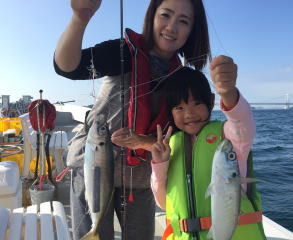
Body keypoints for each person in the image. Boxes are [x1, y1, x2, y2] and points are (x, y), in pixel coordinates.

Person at [53, 0, 211, 239]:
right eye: (165, 15)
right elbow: (68, 67)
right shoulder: (124, 52)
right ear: (152, 17)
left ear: (193, 30)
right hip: (92, 167)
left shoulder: (182, 78)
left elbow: (181, 131)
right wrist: (79, 19)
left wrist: (145, 143)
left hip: (140, 179)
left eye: (183, 21)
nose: (171, 27)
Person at [150, 65, 266, 239]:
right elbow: (164, 203)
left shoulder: (228, 137)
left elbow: (242, 123)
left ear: (211, 101)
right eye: (179, 108)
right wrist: (160, 165)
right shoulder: (171, 146)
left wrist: (228, 93)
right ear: (170, 111)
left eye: (196, 103)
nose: (189, 114)